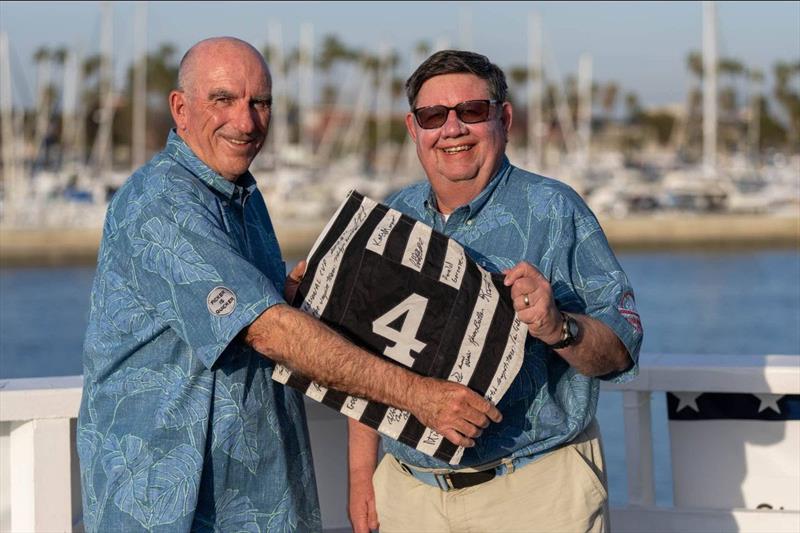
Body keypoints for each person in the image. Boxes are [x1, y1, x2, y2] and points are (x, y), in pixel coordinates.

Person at [76, 38, 501, 533]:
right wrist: (422, 397)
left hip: (258, 499)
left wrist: (296, 292)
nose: (246, 121)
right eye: (223, 100)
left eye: (259, 102)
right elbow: (268, 332)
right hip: (170, 508)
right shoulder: (161, 202)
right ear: (181, 108)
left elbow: (258, 314)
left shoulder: (240, 195)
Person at [347, 50, 643, 533]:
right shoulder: (390, 218)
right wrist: (362, 477)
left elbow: (620, 351)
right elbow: (364, 355)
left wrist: (558, 327)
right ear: (413, 128)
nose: (452, 128)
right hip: (408, 495)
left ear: (504, 119)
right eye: (433, 116)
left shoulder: (556, 210)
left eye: (472, 111)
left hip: (535, 494)